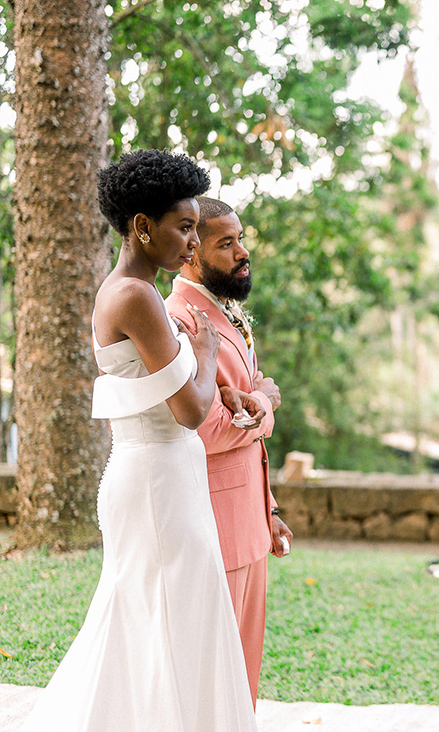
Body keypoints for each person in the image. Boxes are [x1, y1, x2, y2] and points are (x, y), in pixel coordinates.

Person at [21, 150, 257, 731]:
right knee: (168, 624)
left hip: (159, 474)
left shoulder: (123, 290)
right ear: (142, 227)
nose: (193, 245)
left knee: (156, 622)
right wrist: (205, 359)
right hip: (158, 481)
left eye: (196, 230)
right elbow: (187, 408)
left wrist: (216, 387)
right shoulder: (137, 295)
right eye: (183, 229)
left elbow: (152, 387)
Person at [165, 196, 292, 707]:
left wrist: (271, 509)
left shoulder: (224, 310)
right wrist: (264, 400)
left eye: (241, 240)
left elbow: (250, 412)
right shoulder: (180, 319)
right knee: (217, 672)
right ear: (192, 252)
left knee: (244, 670)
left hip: (249, 520)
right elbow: (208, 426)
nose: (242, 252)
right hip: (215, 524)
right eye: (227, 243)